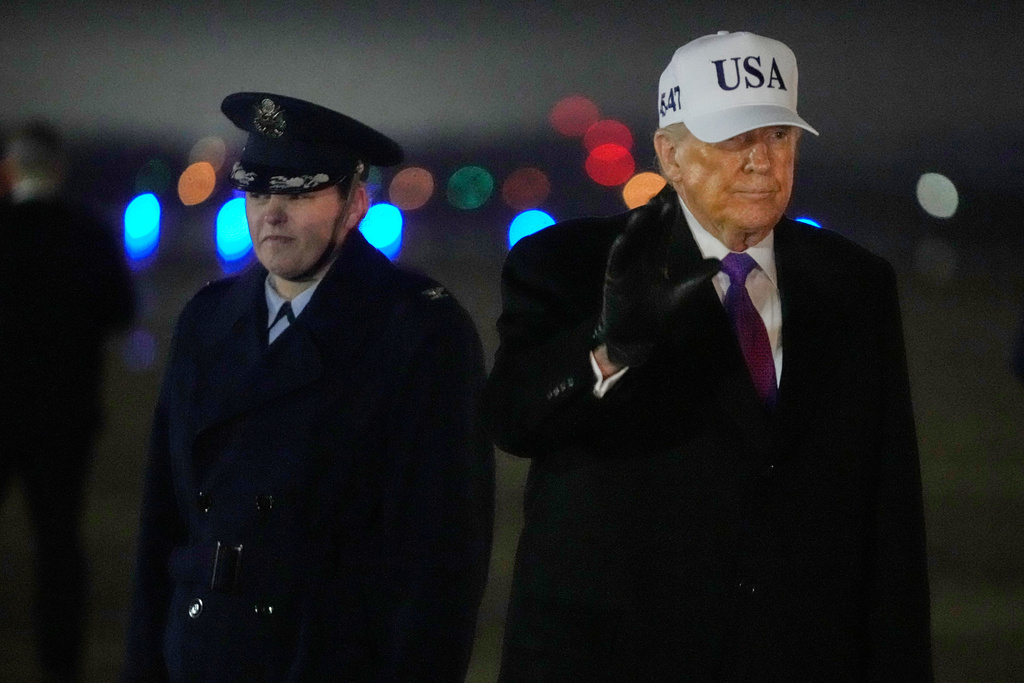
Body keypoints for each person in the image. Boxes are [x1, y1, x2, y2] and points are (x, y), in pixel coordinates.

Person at [485, 31, 932, 681]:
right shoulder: (569, 265)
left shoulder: (856, 282)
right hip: (618, 657)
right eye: (733, 138)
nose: (761, 161)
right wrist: (610, 348)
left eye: (779, 136)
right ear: (670, 154)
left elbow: (887, 511)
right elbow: (512, 417)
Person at [123, 93, 494, 682]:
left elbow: (440, 561)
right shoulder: (207, 319)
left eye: (297, 193)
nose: (271, 214)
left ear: (354, 204)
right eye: (259, 192)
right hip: (202, 648)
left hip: (331, 656)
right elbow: (162, 525)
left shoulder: (419, 331)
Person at [0, 121, 135, 682]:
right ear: (59, 168)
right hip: (65, 414)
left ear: (10, 169)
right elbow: (120, 313)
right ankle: (62, 662)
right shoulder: (87, 231)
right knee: (58, 541)